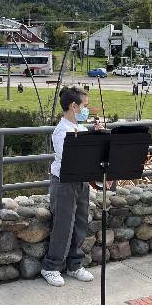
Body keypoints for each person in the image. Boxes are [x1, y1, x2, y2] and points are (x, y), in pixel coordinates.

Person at [41, 86, 103, 287]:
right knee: (63, 225)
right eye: (85, 106)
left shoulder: (83, 129)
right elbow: (68, 157)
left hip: (82, 181)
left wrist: (97, 136)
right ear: (73, 106)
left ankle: (74, 264)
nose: (87, 109)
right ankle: (51, 267)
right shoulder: (61, 131)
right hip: (65, 182)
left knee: (80, 222)